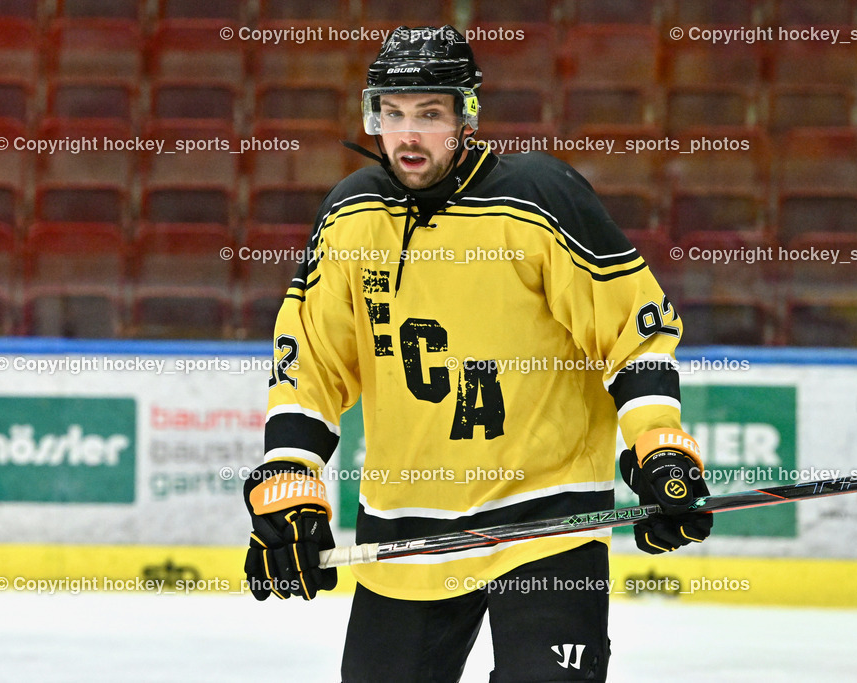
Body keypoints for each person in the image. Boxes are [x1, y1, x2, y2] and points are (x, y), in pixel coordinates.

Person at [242, 25, 712, 682]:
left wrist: (658, 442)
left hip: (549, 521)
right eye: (392, 113)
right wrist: (289, 475)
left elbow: (632, 334)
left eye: (429, 115)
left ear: (467, 116)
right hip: (405, 531)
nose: (407, 135)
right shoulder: (351, 216)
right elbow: (312, 365)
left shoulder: (542, 198)